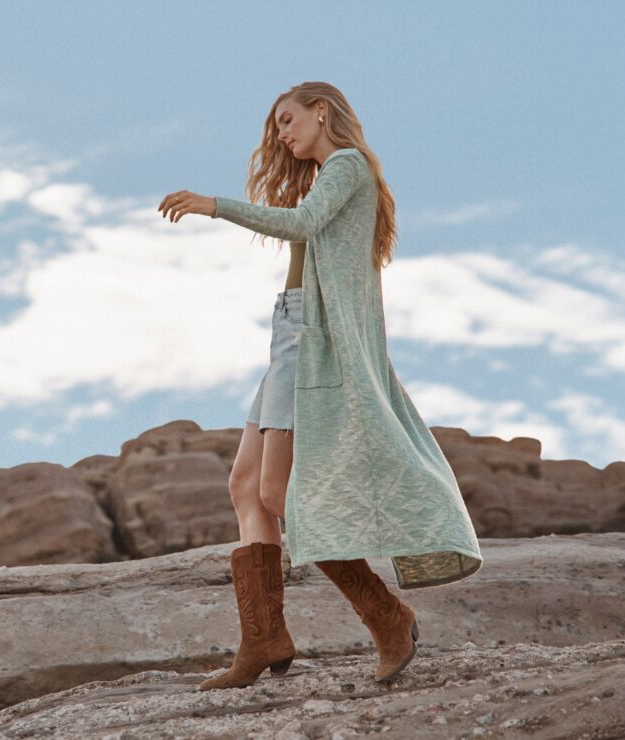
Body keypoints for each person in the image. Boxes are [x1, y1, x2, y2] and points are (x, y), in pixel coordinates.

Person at [157, 82, 485, 691]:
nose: (282, 133)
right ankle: (264, 638)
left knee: (278, 491)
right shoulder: (325, 176)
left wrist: (214, 206)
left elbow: (304, 223)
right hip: (288, 330)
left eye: (287, 120)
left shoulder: (348, 165)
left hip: (311, 339)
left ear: (321, 111)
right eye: (276, 126)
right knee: (244, 487)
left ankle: (386, 615)